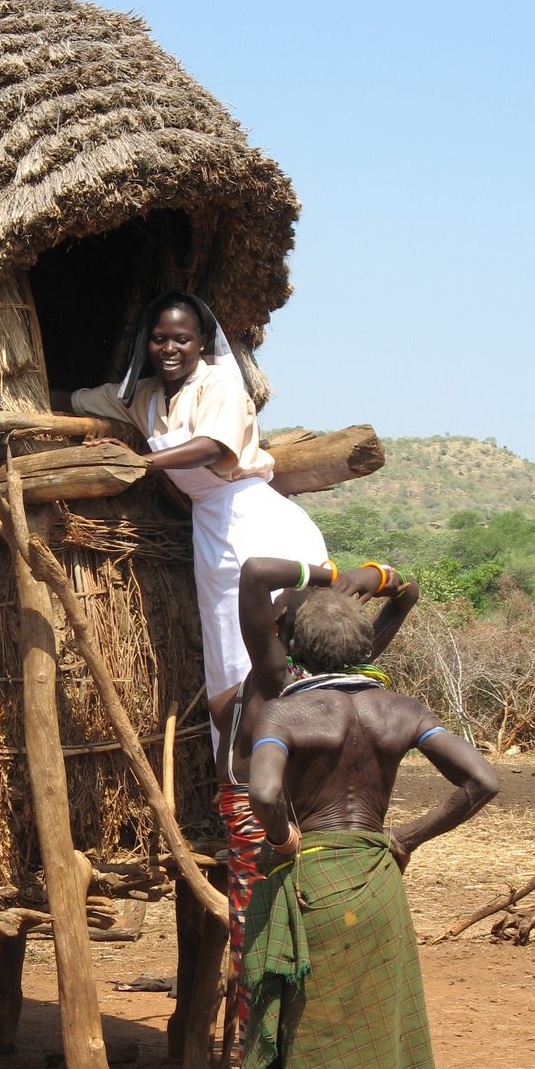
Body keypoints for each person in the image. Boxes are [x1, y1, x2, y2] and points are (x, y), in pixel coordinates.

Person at [228, 590, 499, 1069]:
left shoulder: (286, 713)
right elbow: (483, 781)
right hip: (378, 889)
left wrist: (285, 840)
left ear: (297, 648)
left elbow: (261, 789)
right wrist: (404, 837)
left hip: (312, 887)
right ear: (363, 650)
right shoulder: (401, 711)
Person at [51, 291, 328, 737]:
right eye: (159, 339)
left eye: (181, 338)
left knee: (274, 644)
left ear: (201, 342)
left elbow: (213, 447)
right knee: (228, 650)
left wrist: (141, 462)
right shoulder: (144, 397)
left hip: (254, 519)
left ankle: (294, 763)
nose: (169, 349)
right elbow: (78, 400)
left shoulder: (219, 385)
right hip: (212, 527)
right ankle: (240, 781)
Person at [213, 556, 418, 1055]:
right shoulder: (287, 677)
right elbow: (407, 595)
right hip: (272, 812)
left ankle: (274, 1049)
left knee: (269, 933)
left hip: (276, 813)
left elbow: (404, 594)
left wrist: (344, 579)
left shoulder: (294, 677)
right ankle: (272, 1049)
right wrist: (368, 579)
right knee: (272, 930)